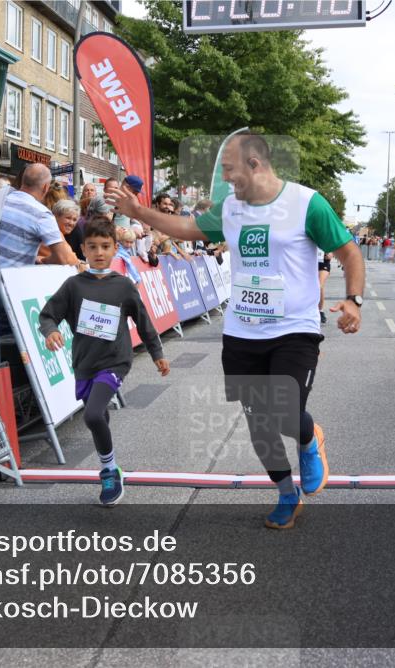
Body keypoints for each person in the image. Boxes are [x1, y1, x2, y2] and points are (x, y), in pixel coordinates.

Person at [107, 131, 364, 529]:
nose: (226, 179)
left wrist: (354, 299)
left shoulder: (306, 203)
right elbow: (184, 227)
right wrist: (137, 212)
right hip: (242, 332)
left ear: (255, 164)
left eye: (229, 169)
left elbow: (349, 252)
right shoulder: (230, 210)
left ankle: (309, 436)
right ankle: (285, 493)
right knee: (257, 421)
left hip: (295, 329)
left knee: (282, 409)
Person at [40, 217, 170, 506]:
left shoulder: (123, 286)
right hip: (85, 363)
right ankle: (110, 464)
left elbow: (144, 321)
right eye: (93, 246)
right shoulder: (73, 285)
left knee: (93, 415)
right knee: (99, 417)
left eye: (105, 246)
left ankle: (109, 470)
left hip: (115, 361)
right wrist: (50, 332)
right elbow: (48, 315)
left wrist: (157, 354)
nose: (99, 252)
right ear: (83, 249)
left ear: (115, 250)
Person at [0, 163, 75, 268]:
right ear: (45, 187)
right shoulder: (42, 215)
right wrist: (43, 260)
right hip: (11, 280)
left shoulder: (1, 200)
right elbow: (64, 258)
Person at [38, 198, 84, 268]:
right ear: (56, 216)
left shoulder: (54, 231)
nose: (71, 223)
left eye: (74, 220)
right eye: (68, 218)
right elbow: (71, 259)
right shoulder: (52, 233)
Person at [317, 251, 331, 324]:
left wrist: (331, 253)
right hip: (310, 262)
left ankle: (320, 311)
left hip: (323, 263)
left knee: (319, 286)